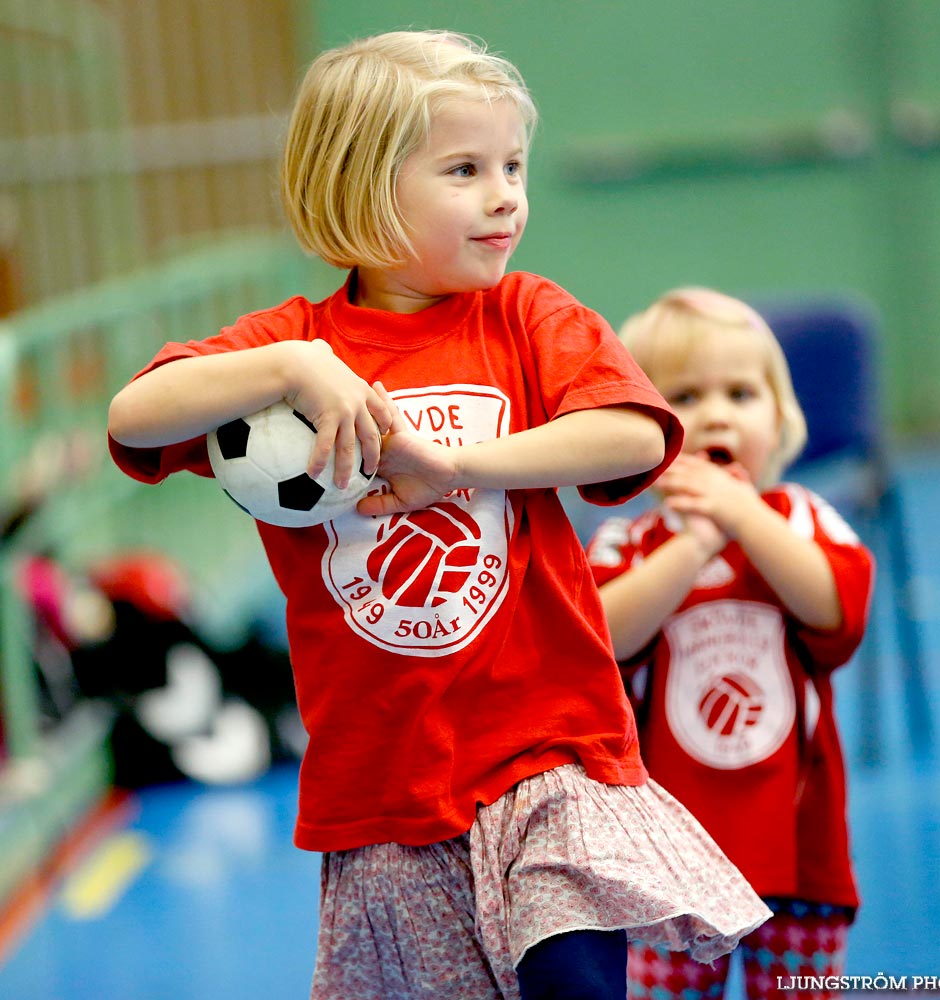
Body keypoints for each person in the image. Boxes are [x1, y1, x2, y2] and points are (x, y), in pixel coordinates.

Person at [107, 31, 769, 1000]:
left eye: (512, 166)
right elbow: (132, 415)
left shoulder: (526, 317)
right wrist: (295, 368)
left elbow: (629, 434)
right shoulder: (288, 348)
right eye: (464, 169)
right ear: (363, 187)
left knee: (574, 979)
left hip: (549, 746)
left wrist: (451, 464)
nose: (505, 194)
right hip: (383, 784)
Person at [586, 288, 874, 1000]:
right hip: (666, 869)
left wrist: (744, 516)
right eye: (685, 394)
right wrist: (693, 546)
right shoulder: (631, 542)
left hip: (799, 852)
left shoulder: (802, 520)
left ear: (779, 420)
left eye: (741, 393)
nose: (716, 412)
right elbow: (601, 638)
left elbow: (836, 609)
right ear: (642, 429)